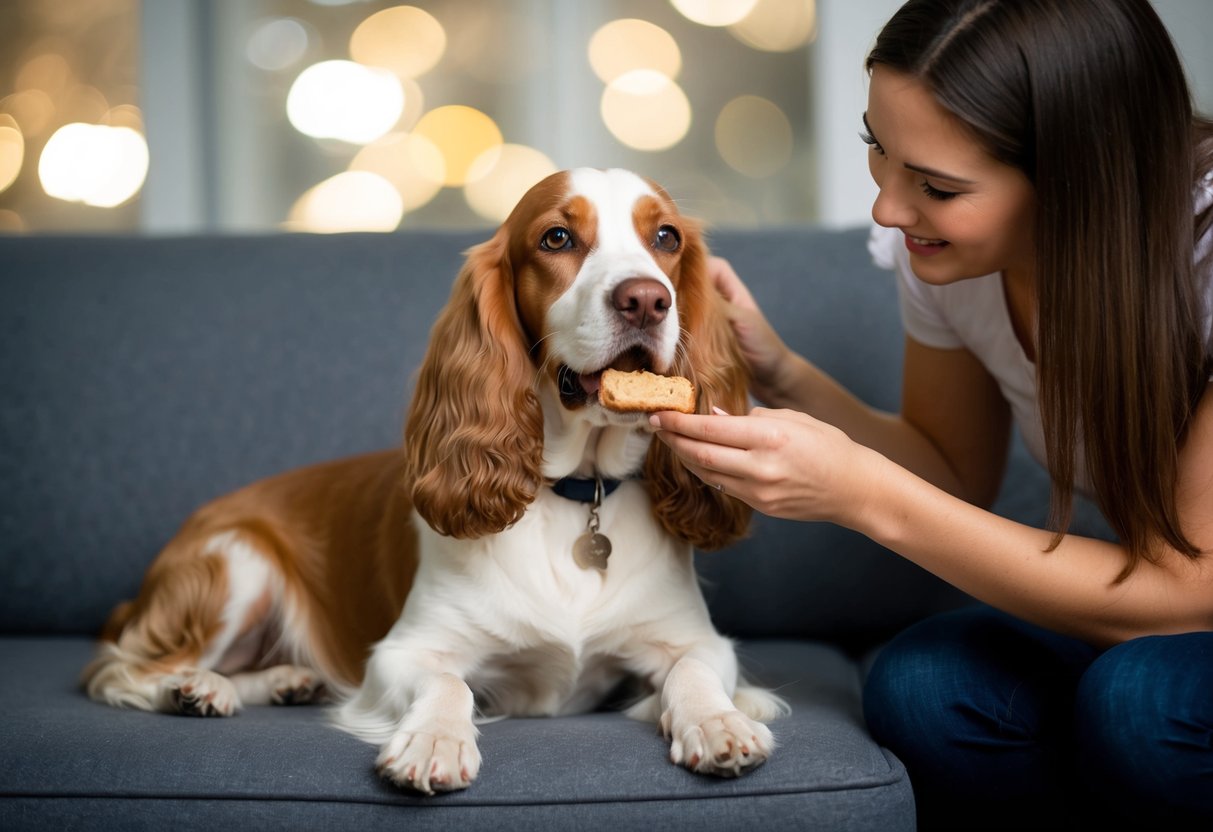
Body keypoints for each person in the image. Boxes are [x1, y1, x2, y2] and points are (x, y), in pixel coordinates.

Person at [648, 0, 1213, 827]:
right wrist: (782, 373)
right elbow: (950, 471)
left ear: (1079, 176)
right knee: (925, 685)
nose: (888, 209)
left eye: (938, 187)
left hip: (1187, 601)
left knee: (1144, 700)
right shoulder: (952, 257)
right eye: (876, 147)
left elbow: (1188, 596)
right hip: (1166, 605)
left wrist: (859, 495)